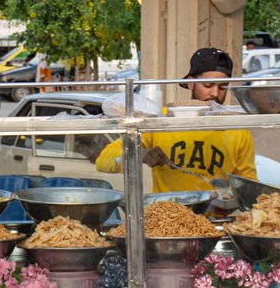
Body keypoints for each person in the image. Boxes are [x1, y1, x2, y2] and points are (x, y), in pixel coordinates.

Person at [94, 47, 257, 192]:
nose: (215, 93)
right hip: (168, 217)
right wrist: (140, 154)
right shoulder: (161, 120)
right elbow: (104, 160)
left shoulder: (237, 128)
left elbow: (248, 183)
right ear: (191, 83)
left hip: (214, 217)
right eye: (208, 85)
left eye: (223, 86)